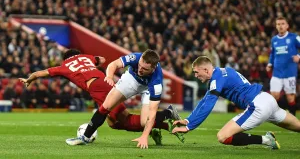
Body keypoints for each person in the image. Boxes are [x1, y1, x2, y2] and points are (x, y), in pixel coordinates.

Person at [19, 49, 181, 145]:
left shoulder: (64, 66)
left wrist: (29, 79)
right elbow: (103, 60)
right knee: (114, 122)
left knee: (119, 118)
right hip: (106, 81)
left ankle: (85, 136)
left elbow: (42, 73)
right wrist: (95, 66)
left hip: (100, 87)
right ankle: (160, 124)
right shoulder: (87, 57)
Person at [172, 56, 300, 149]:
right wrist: (188, 120)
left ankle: (267, 140)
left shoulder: (217, 79)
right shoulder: (222, 72)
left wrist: (189, 127)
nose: (195, 75)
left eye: (196, 72)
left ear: (205, 70)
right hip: (267, 99)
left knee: (222, 136)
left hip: (257, 106)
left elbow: (209, 104)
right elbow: (204, 100)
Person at [66, 49, 184, 149]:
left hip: (147, 87)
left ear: (153, 69)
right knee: (106, 106)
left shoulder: (156, 83)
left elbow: (152, 112)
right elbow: (113, 64)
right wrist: (109, 76)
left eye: (144, 69)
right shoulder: (136, 58)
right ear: (141, 58)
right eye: (140, 65)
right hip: (131, 79)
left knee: (144, 122)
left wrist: (144, 136)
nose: (140, 69)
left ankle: (168, 112)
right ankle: (85, 137)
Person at [266, 16, 300, 116]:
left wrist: (298, 56)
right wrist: (269, 63)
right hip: (277, 72)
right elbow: (272, 53)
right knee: (274, 95)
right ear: (276, 26)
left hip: (290, 72)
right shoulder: (274, 40)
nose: (280, 26)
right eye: (278, 24)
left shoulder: (294, 37)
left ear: (287, 25)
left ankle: (293, 118)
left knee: (290, 97)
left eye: (282, 24)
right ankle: (275, 117)